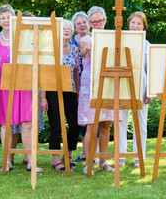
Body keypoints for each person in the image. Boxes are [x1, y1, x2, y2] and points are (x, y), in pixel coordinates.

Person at [0, 5, 43, 173]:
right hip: (2, 85)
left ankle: (30, 161)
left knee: (27, 122)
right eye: (2, 17)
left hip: (24, 84)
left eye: (9, 17)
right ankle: (7, 161)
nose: (6, 20)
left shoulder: (24, 36)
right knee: (6, 123)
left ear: (14, 19)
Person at [78, 6, 122, 175]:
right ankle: (89, 162)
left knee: (106, 124)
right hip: (91, 85)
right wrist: (85, 50)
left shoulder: (112, 37)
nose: (97, 24)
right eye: (94, 21)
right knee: (91, 124)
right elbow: (82, 51)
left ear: (105, 20)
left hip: (109, 83)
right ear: (90, 23)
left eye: (100, 20)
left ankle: (103, 161)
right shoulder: (87, 38)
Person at [40, 19, 81, 170]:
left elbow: (76, 72)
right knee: (56, 124)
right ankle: (55, 158)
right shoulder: (50, 49)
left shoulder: (75, 50)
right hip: (52, 89)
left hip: (69, 90)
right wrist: (43, 97)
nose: (66, 30)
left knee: (75, 124)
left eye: (69, 28)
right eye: (63, 28)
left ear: (71, 32)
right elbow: (44, 73)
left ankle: (68, 155)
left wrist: (77, 93)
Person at [10, 11, 45, 165]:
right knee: (14, 123)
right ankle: (9, 158)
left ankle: (28, 157)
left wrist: (43, 96)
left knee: (32, 123)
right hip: (17, 85)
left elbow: (45, 69)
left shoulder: (39, 42)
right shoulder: (14, 40)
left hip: (34, 86)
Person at [118, 11, 152, 167]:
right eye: (133, 22)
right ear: (128, 24)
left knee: (141, 123)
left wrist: (150, 91)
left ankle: (139, 157)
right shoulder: (120, 41)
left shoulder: (147, 45)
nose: (135, 26)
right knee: (121, 121)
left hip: (141, 86)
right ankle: (121, 156)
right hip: (123, 84)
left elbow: (150, 69)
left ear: (144, 27)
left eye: (139, 23)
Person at [71, 11, 99, 164]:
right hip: (81, 81)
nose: (82, 25)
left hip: (94, 80)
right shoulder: (73, 41)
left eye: (84, 22)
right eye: (78, 23)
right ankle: (84, 153)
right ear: (75, 27)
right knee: (84, 119)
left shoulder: (96, 37)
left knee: (95, 121)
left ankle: (94, 155)